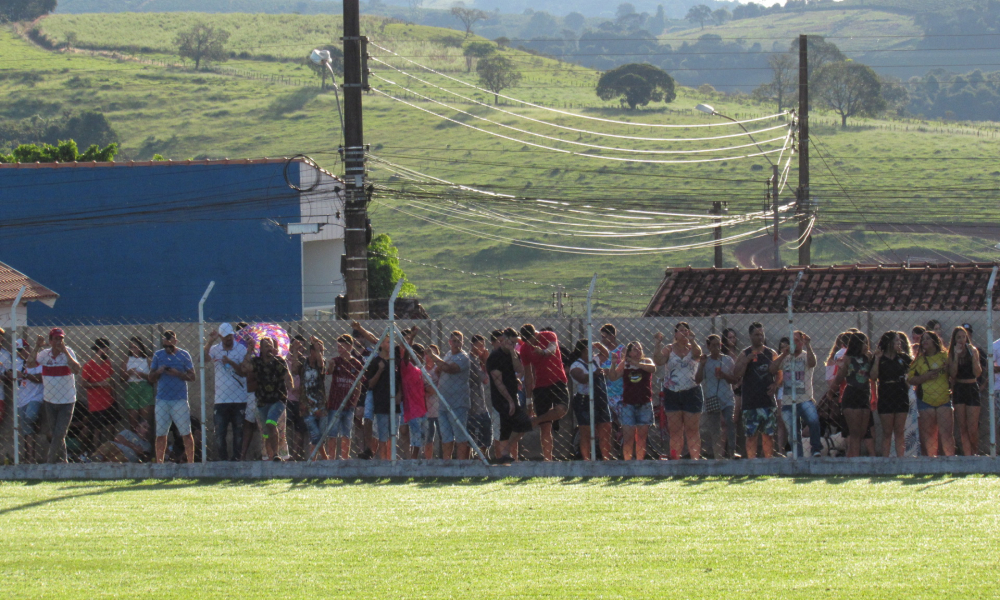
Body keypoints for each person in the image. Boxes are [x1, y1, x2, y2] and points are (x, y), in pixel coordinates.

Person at [519, 323, 569, 461]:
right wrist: (529, 402)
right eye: (527, 341)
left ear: (535, 334)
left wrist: (543, 352)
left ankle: (535, 421)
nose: (530, 343)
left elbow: (552, 348)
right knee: (545, 428)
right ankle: (548, 461)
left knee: (561, 410)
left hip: (558, 381)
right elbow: (528, 376)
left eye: (531, 340)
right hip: (540, 387)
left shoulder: (548, 335)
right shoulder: (524, 349)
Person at [654, 323, 704, 460]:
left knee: (692, 430)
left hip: (691, 391)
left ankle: (695, 460)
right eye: (680, 331)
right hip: (672, 392)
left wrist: (692, 340)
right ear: (675, 334)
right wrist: (658, 344)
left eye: (686, 330)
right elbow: (658, 361)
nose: (684, 333)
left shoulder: (692, 347)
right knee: (675, 430)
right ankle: (676, 459)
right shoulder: (669, 349)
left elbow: (698, 354)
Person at [241, 336, 293, 462]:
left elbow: (287, 376)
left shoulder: (279, 361)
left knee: (271, 423)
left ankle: (276, 454)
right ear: (261, 350)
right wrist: (249, 351)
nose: (269, 347)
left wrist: (289, 384)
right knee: (265, 432)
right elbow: (244, 368)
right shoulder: (257, 362)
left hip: (278, 399)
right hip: (262, 401)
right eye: (266, 346)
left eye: (270, 345)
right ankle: (270, 457)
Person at [733, 323, 780, 459]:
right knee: (751, 436)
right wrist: (746, 361)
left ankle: (768, 461)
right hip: (750, 401)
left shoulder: (771, 353)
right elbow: (736, 374)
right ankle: (751, 462)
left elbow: (779, 371)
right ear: (750, 336)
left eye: (762, 334)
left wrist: (776, 384)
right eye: (756, 335)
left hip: (767, 401)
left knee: (768, 435)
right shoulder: (745, 353)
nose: (760, 337)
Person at [149, 330, 196, 463]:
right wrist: (158, 372)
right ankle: (160, 463)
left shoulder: (184, 355)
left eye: (170, 345)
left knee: (186, 433)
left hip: (179, 400)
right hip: (162, 400)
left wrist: (178, 374)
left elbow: (193, 377)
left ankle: (191, 463)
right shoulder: (158, 356)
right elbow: (150, 378)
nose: (167, 349)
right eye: (165, 346)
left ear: (175, 342)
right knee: (161, 434)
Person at [36, 328, 82, 463]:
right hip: (50, 400)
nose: (58, 341)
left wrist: (65, 352)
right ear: (50, 341)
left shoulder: (69, 352)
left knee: (59, 433)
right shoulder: (45, 354)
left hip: (67, 400)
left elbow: (77, 369)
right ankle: (64, 462)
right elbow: (30, 363)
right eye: (55, 339)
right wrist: (36, 347)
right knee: (57, 434)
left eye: (61, 339)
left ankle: (49, 462)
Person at [773, 331, 821, 458]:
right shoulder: (786, 358)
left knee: (814, 421)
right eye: (792, 341)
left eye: (798, 341)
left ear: (802, 342)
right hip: (788, 400)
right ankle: (797, 455)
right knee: (793, 431)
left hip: (805, 398)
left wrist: (808, 345)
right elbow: (772, 369)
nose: (795, 344)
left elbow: (812, 363)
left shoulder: (806, 356)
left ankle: (816, 449)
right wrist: (784, 354)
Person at [487, 328, 532, 463]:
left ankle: (505, 452)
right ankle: (502, 456)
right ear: (504, 340)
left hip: (513, 396)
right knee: (506, 429)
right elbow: (498, 383)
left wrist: (512, 351)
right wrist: (510, 401)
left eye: (514, 343)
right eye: (510, 342)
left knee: (522, 425)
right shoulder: (494, 357)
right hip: (501, 399)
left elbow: (519, 369)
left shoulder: (513, 354)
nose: (513, 345)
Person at [907, 330, 954, 457]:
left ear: (935, 341)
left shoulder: (945, 356)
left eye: (928, 338)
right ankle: (932, 461)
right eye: (923, 339)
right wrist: (925, 377)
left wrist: (948, 367)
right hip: (925, 400)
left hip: (943, 398)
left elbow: (953, 373)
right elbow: (910, 379)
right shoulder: (919, 360)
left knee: (947, 434)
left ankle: (951, 461)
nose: (925, 341)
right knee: (929, 434)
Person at [205, 324, 247, 461]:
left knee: (238, 432)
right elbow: (202, 359)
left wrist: (230, 362)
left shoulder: (241, 349)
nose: (229, 338)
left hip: (239, 398)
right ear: (221, 336)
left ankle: (237, 459)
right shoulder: (215, 350)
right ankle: (223, 460)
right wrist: (210, 341)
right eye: (225, 336)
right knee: (219, 433)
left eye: (230, 335)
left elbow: (243, 372)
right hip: (221, 400)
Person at [428, 331, 472, 461]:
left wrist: (434, 357)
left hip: (458, 403)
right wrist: (439, 366)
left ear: (463, 342)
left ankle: (461, 464)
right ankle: (447, 464)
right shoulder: (447, 355)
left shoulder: (463, 357)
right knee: (446, 436)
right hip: (443, 402)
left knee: (460, 436)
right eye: (454, 341)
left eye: (459, 341)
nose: (456, 344)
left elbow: (450, 369)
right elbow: (439, 369)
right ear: (449, 342)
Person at [610, 341, 655, 460]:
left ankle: (640, 462)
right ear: (629, 352)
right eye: (635, 349)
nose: (638, 351)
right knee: (628, 437)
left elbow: (652, 369)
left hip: (644, 403)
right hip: (628, 404)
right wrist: (614, 364)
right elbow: (613, 377)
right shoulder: (625, 364)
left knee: (641, 437)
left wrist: (635, 362)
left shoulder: (646, 361)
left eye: (640, 349)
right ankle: (627, 462)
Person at [568, 339, 613, 461]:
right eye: (590, 348)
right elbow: (581, 378)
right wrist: (594, 373)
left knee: (606, 429)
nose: (593, 350)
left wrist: (598, 344)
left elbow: (606, 353)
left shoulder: (595, 360)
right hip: (585, 401)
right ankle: (587, 460)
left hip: (600, 399)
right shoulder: (576, 365)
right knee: (586, 433)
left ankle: (606, 459)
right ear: (583, 350)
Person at [870, 331, 912, 458]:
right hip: (885, 393)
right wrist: (877, 359)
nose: (899, 343)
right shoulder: (879, 357)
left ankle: (901, 459)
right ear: (889, 343)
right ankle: (885, 460)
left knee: (900, 431)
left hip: (900, 393)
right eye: (896, 341)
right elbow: (873, 376)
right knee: (887, 432)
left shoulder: (903, 358)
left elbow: (912, 373)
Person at [697, 334, 738, 460]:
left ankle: (732, 451)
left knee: (730, 422)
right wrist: (702, 365)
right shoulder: (705, 361)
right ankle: (718, 455)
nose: (717, 348)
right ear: (708, 346)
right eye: (713, 345)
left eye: (718, 345)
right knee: (715, 427)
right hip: (711, 397)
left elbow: (735, 379)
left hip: (727, 397)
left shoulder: (727, 360)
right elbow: (697, 379)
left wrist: (724, 375)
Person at [324, 334, 363, 460]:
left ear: (350, 346)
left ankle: (345, 457)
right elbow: (328, 372)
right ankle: (332, 458)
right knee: (332, 432)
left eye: (342, 347)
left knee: (346, 433)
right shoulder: (335, 361)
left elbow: (358, 384)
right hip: (335, 402)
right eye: (338, 347)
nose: (339, 350)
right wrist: (330, 366)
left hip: (349, 404)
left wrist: (355, 402)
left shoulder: (356, 364)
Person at [948, 326, 982, 456]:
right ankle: (968, 455)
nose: (962, 340)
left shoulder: (972, 351)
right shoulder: (952, 353)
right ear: (954, 340)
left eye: (964, 337)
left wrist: (973, 356)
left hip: (972, 387)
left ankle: (975, 452)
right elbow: (953, 374)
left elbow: (977, 373)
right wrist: (956, 355)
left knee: (972, 428)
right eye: (959, 337)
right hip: (959, 389)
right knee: (962, 427)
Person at [82, 338, 116, 455]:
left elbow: (112, 380)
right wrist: (99, 384)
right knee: (97, 430)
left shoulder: (107, 363)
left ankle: (111, 451)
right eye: (105, 350)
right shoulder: (89, 365)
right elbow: (84, 384)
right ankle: (96, 453)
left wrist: (114, 395)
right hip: (96, 403)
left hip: (109, 400)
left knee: (111, 427)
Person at [121, 336, 154, 448]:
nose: (133, 349)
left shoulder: (147, 359)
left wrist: (143, 375)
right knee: (133, 422)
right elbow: (121, 378)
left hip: (145, 388)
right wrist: (129, 373)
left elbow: (153, 378)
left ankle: (147, 448)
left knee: (146, 422)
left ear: (141, 347)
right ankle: (135, 447)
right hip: (132, 388)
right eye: (131, 347)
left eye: (135, 347)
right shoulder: (127, 359)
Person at [14, 338, 44, 463]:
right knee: (26, 428)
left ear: (28, 348)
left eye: (21, 350)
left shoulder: (37, 361)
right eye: (17, 350)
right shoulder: (17, 362)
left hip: (35, 396)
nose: (19, 353)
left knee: (30, 417)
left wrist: (24, 375)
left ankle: (37, 425)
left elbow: (40, 379)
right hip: (21, 399)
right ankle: (30, 457)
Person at [400, 343, 429, 459]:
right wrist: (410, 340)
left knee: (422, 437)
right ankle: (413, 460)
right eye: (419, 355)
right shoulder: (406, 367)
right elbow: (405, 357)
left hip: (422, 408)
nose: (421, 358)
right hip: (412, 409)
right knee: (416, 437)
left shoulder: (419, 369)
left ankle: (417, 458)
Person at [468, 335, 493, 460]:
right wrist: (485, 361)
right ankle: (479, 456)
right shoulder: (471, 360)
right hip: (473, 402)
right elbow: (485, 379)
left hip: (479, 401)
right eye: (480, 346)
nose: (483, 349)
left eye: (483, 346)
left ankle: (481, 454)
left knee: (485, 428)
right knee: (481, 428)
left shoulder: (475, 360)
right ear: (473, 346)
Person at [599, 324, 627, 426]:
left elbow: (625, 367)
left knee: (623, 422)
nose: (602, 340)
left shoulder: (621, 350)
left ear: (612, 336)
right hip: (606, 392)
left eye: (604, 337)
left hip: (620, 392)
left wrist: (608, 371)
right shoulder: (603, 353)